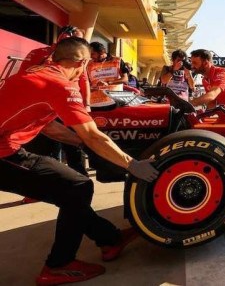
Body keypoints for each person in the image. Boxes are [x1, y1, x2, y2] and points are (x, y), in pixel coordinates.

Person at [0, 37, 159, 285]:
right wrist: (131, 163)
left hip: (8, 147)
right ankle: (59, 265)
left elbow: (49, 126)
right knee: (78, 186)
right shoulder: (61, 85)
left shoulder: (36, 73)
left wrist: (82, 144)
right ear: (83, 62)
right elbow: (93, 134)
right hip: (3, 153)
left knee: (69, 191)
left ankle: (109, 238)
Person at [19, 25, 90, 177]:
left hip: (70, 105)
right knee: (44, 149)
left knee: (74, 149)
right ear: (63, 37)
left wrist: (87, 105)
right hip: (44, 108)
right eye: (76, 39)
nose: (80, 43)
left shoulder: (79, 58)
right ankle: (41, 187)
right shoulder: (39, 53)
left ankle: (80, 181)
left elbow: (84, 81)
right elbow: (23, 77)